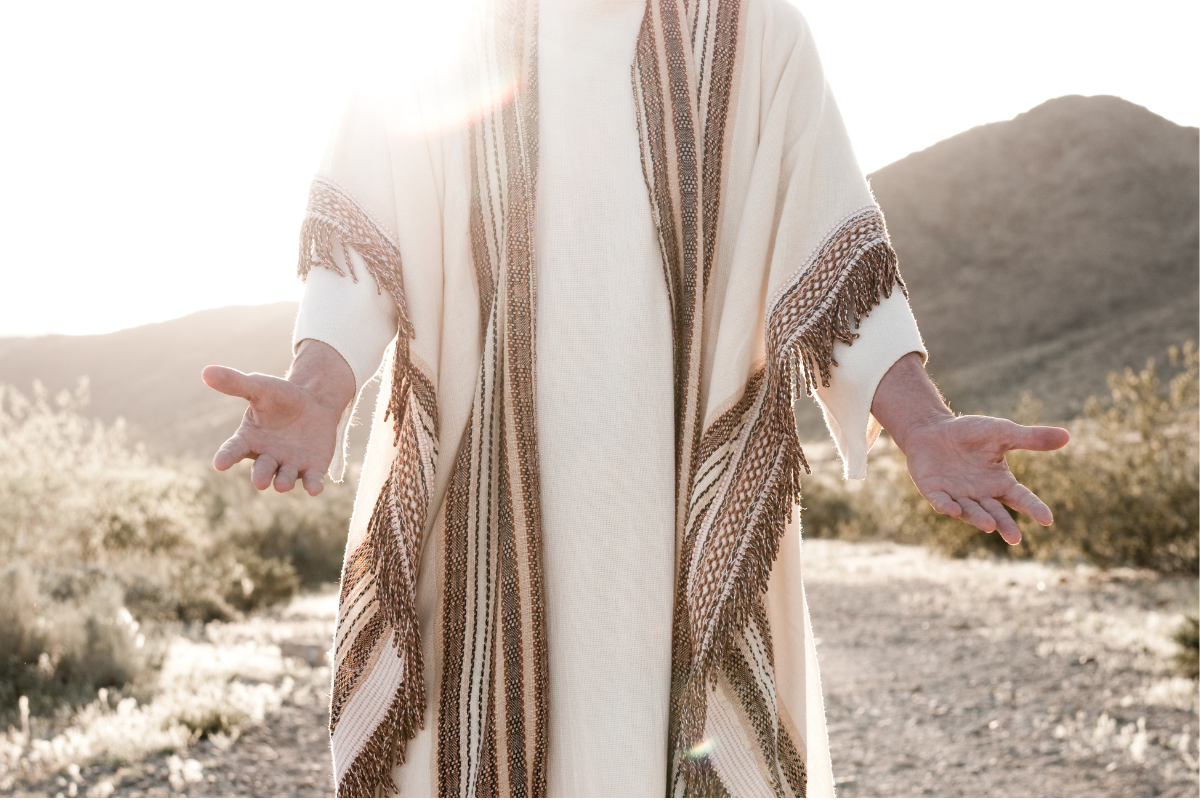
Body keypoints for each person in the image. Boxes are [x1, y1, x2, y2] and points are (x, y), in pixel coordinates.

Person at [202, 0, 1069, 796]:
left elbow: (830, 243)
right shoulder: (439, 31)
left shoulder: (751, 31)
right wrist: (319, 389)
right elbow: (363, 231)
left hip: (679, 504)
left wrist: (922, 424)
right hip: (477, 503)